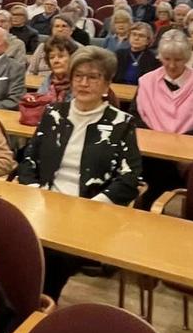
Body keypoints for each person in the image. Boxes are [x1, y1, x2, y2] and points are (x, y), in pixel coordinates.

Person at [18, 47, 141, 301]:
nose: (84, 83)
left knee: (49, 259)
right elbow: (29, 159)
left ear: (106, 83)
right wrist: (34, 193)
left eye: (93, 77)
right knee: (8, 241)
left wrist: (93, 206)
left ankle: (36, 306)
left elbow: (130, 179)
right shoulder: (53, 113)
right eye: (78, 76)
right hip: (44, 204)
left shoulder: (121, 123)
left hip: (90, 211)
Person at [134, 30, 193, 204]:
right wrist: (157, 141)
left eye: (178, 60)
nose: (172, 65)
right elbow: (135, 117)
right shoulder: (146, 81)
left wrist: (178, 144)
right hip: (150, 153)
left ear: (187, 58)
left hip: (185, 154)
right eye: (167, 59)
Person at [37, 37, 78, 103]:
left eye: (61, 56)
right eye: (52, 57)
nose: (55, 61)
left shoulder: (80, 83)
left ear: (72, 57)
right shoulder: (48, 81)